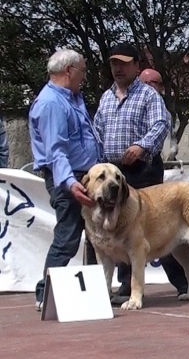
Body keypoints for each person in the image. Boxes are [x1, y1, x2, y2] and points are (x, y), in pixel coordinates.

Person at [94, 43, 188, 304]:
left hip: (142, 171)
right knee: (120, 233)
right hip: (114, 173)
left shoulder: (148, 95)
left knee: (154, 231)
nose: (118, 68)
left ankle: (183, 282)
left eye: (124, 63)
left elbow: (161, 124)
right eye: (114, 63)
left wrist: (141, 145)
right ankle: (126, 287)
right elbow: (97, 130)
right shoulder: (105, 97)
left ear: (137, 66)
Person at [28, 49, 102, 310]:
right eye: (82, 71)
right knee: (68, 236)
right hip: (68, 177)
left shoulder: (73, 98)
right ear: (69, 71)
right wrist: (71, 184)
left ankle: (94, 291)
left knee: (98, 237)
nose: (83, 77)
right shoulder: (51, 103)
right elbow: (55, 151)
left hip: (87, 175)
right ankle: (44, 294)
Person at [139, 68, 179, 161]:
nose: (162, 88)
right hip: (142, 165)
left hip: (162, 166)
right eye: (159, 84)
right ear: (146, 83)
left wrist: (173, 150)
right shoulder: (134, 108)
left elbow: (171, 137)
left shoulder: (166, 112)